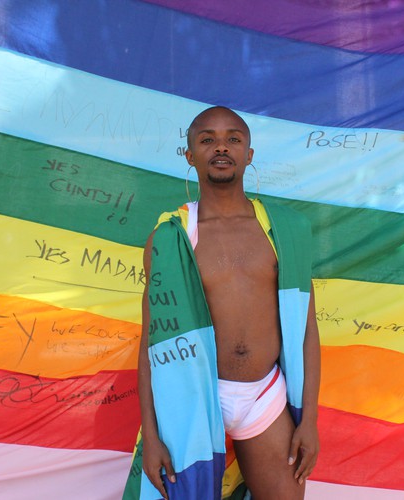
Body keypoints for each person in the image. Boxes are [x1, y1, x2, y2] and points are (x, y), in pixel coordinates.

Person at [125, 106, 320, 500]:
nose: (221, 147)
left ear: (249, 153)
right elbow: (152, 343)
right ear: (190, 155)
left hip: (263, 396)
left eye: (233, 138)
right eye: (207, 139)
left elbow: (306, 332)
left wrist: (310, 421)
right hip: (192, 398)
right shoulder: (172, 238)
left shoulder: (285, 231)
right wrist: (153, 434)